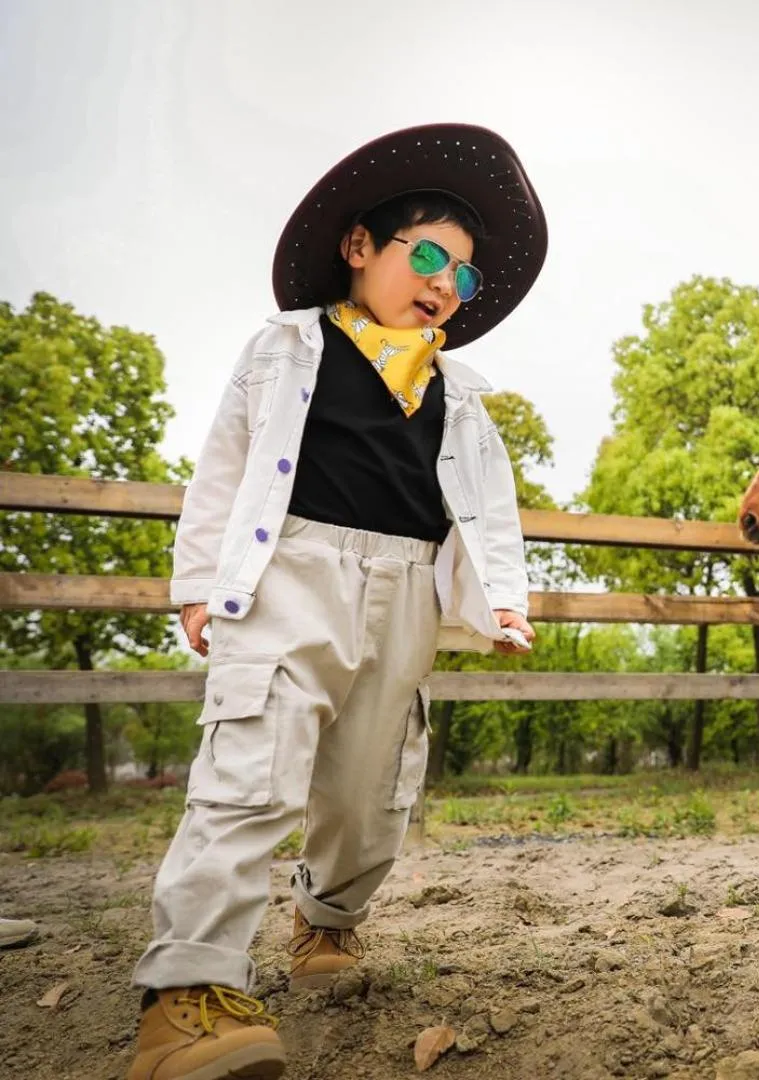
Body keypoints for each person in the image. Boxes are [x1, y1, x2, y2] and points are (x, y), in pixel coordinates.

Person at [126, 124, 546, 1080]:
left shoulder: (461, 392)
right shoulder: (286, 347)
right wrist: (198, 583)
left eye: (465, 275)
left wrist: (503, 600)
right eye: (428, 254)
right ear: (360, 248)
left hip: (405, 586)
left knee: (372, 777)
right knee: (254, 757)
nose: (444, 283)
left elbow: (487, 509)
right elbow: (223, 469)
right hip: (294, 570)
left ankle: (328, 924)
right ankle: (187, 995)